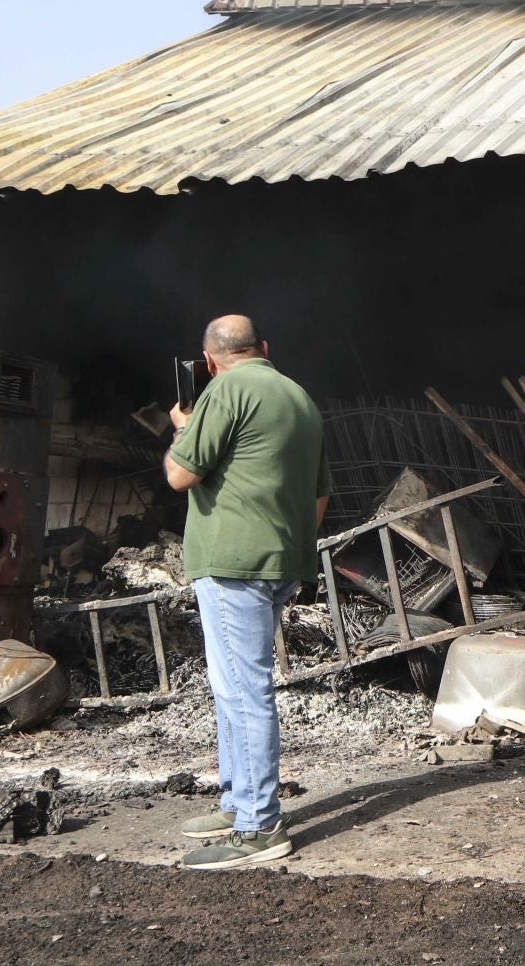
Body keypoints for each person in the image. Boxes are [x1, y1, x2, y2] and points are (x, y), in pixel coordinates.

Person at [164, 315, 331, 870]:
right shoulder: (299, 398)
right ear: (264, 347)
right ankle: (237, 801)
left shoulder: (225, 389)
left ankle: (259, 824)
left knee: (245, 691)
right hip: (281, 559)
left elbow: (180, 475)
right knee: (231, 685)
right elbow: (319, 495)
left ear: (209, 360)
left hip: (232, 561)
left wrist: (183, 428)